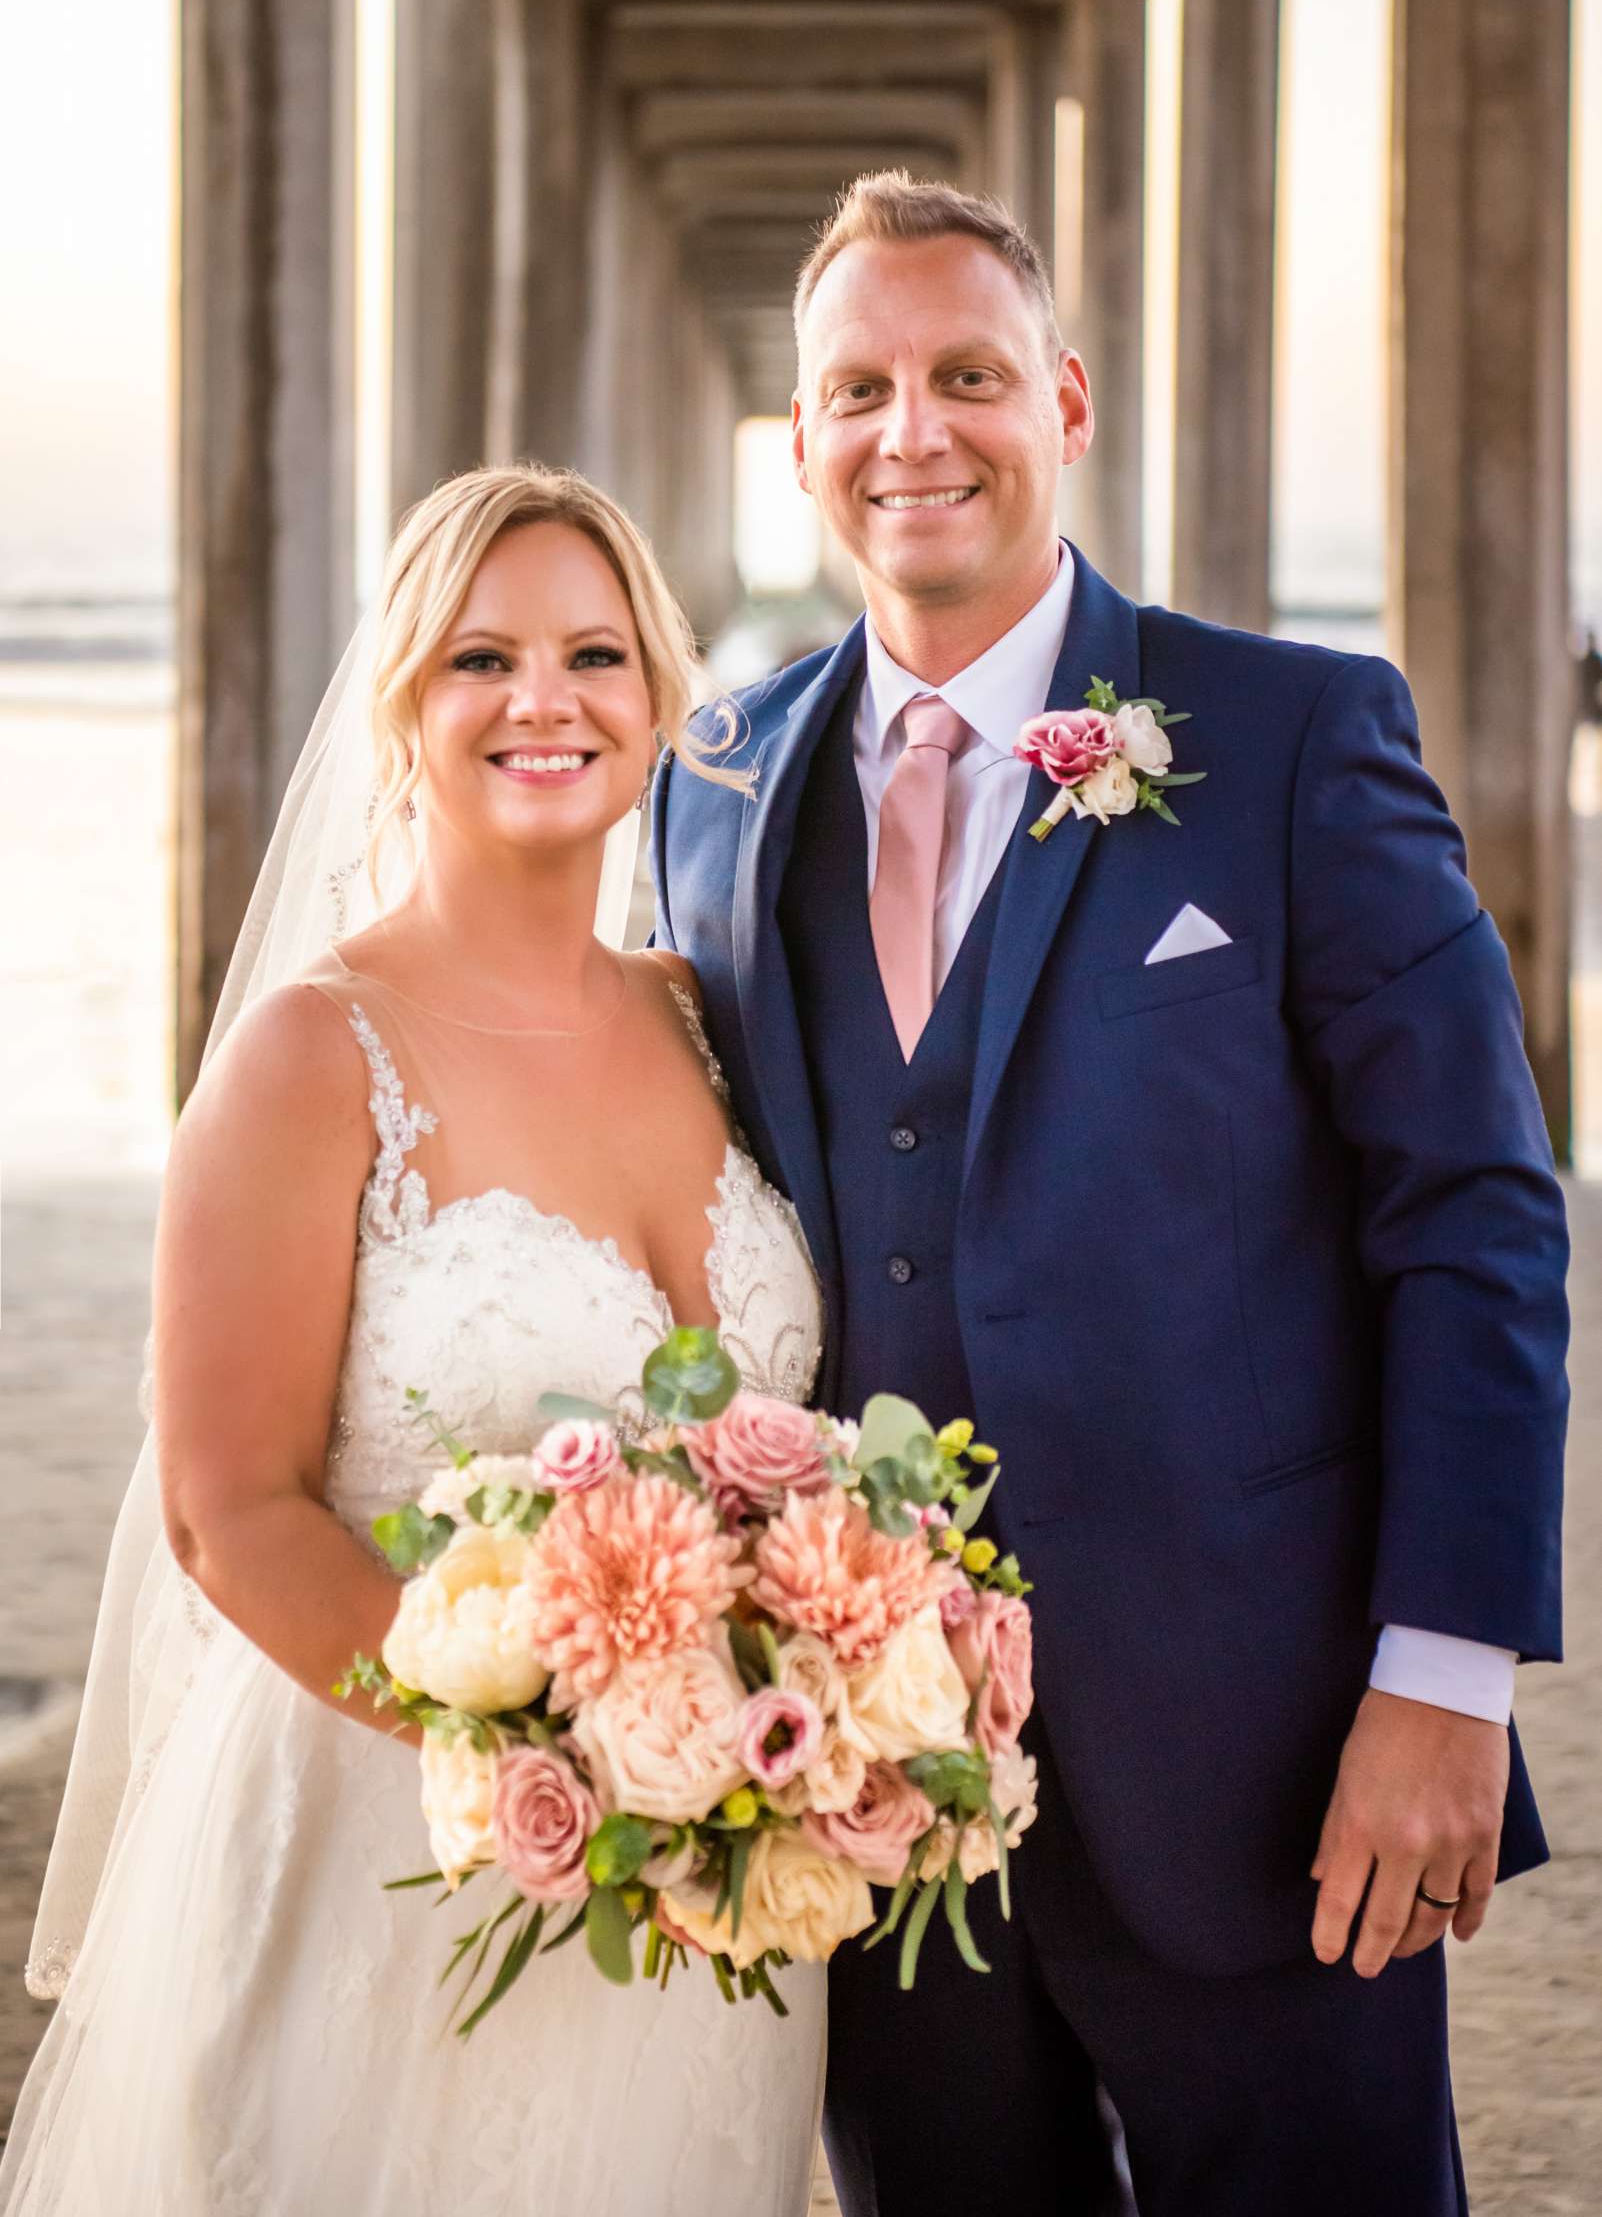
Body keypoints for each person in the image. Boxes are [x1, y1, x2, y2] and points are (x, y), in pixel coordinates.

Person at [649, 172, 1570, 2216]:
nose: (917, 431)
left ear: (1061, 401)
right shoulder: (710, 787)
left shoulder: (1293, 734)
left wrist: (1444, 1682)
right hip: (875, 1799)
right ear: (797, 444)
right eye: (861, 389)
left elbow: (1479, 1216)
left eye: (967, 374)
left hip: (1267, 1771)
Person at [1, 466, 826, 2217]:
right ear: (400, 707)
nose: (545, 700)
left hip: (704, 1899)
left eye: (595, 653)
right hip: (402, 1858)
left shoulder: (708, 1021)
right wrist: (545, 1758)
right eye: (480, 659)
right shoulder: (312, 1057)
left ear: (662, 697)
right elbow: (229, 1511)